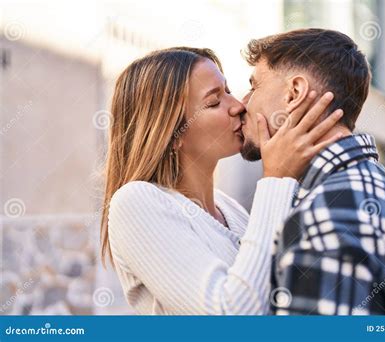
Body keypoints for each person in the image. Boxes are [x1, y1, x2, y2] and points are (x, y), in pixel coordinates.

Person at [101, 46, 343, 314]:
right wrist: (276, 178)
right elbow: (230, 315)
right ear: (173, 132)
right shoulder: (136, 202)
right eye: (214, 102)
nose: (238, 106)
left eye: (227, 91)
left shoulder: (232, 211)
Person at [239, 28, 385, 315]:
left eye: (254, 85)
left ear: (294, 93)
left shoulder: (330, 215)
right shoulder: (381, 188)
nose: (242, 102)